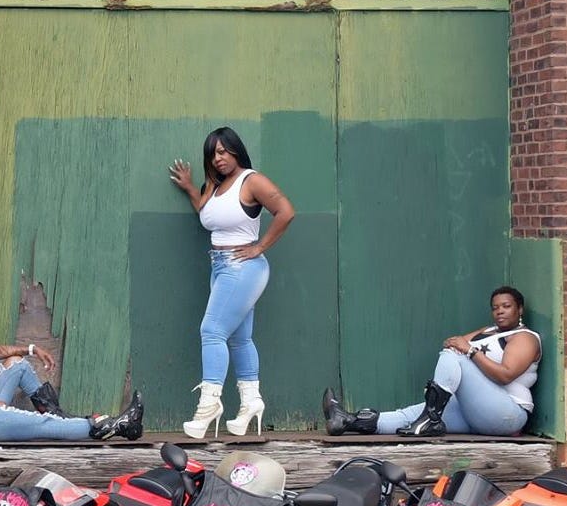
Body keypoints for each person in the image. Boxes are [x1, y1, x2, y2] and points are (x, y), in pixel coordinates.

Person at [168, 127, 295, 439]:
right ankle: (251, 401)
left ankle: (209, 405)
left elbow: (286, 211)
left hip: (243, 268)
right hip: (221, 267)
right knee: (239, 338)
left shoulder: (252, 180)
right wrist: (190, 189)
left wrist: (260, 246)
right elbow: (209, 214)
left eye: (224, 151)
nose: (218, 157)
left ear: (237, 150)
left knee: (211, 331)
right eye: (213, 153)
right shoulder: (214, 185)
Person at [323, 286, 541, 438]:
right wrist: (459, 346)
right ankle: (347, 420)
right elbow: (455, 343)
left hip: (508, 412)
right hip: (479, 410)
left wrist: (471, 352)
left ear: (519, 309)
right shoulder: (490, 331)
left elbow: (505, 374)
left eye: (506, 306)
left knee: (454, 356)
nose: (500, 311)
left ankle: (431, 419)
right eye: (495, 307)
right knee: (410, 415)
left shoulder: (525, 337)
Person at [0, 291, 144, 441]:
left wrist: (31, 349)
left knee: (17, 364)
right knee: (43, 425)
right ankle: (115, 425)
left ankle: (57, 414)